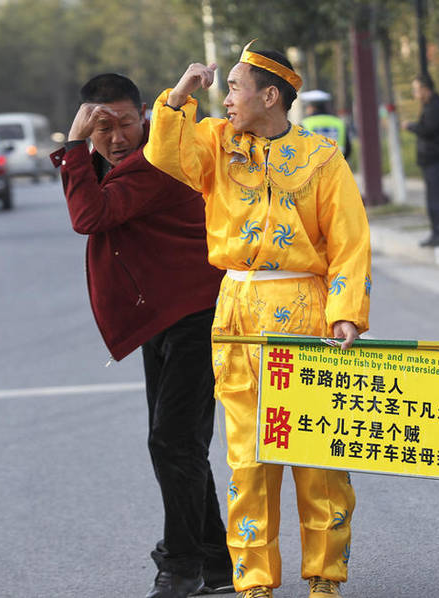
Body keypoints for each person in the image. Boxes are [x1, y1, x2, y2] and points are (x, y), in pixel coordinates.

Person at [142, 41, 371, 598]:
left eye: (235, 88)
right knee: (249, 458)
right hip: (237, 312)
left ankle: (324, 577)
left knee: (316, 454)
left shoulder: (322, 158)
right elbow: (163, 155)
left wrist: (345, 316)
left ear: (270, 96)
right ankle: (254, 583)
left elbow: (348, 241)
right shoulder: (217, 146)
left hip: (302, 311)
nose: (227, 100)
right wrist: (180, 94)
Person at [49, 73, 233, 598]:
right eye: (102, 127)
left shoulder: (157, 159)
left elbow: (89, 216)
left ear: (144, 118)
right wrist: (80, 149)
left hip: (198, 316)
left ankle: (181, 566)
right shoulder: (117, 160)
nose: (116, 137)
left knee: (174, 441)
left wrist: (75, 144)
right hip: (164, 318)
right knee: (179, 445)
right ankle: (216, 561)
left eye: (125, 123)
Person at [402, 73, 439, 247]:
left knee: (438, 199)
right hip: (430, 161)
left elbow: (428, 129)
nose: (415, 93)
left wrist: (410, 126)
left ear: (425, 89)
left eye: (416, 89)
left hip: (436, 160)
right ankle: (436, 233)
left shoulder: (435, 106)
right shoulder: (429, 105)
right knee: (433, 200)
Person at [299, 89, 352, 160]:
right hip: (338, 165)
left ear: (311, 107)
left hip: (314, 167)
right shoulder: (339, 123)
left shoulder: (305, 123)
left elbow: (299, 148)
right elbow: (348, 148)